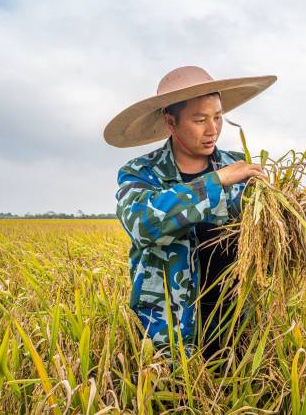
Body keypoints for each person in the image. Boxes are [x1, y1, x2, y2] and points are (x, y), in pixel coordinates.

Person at [103, 66, 277, 360]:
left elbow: (266, 237)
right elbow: (142, 224)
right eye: (200, 120)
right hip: (167, 331)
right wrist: (216, 181)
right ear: (171, 122)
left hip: (234, 324)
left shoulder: (240, 168)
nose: (213, 130)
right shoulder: (142, 173)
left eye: (218, 117)